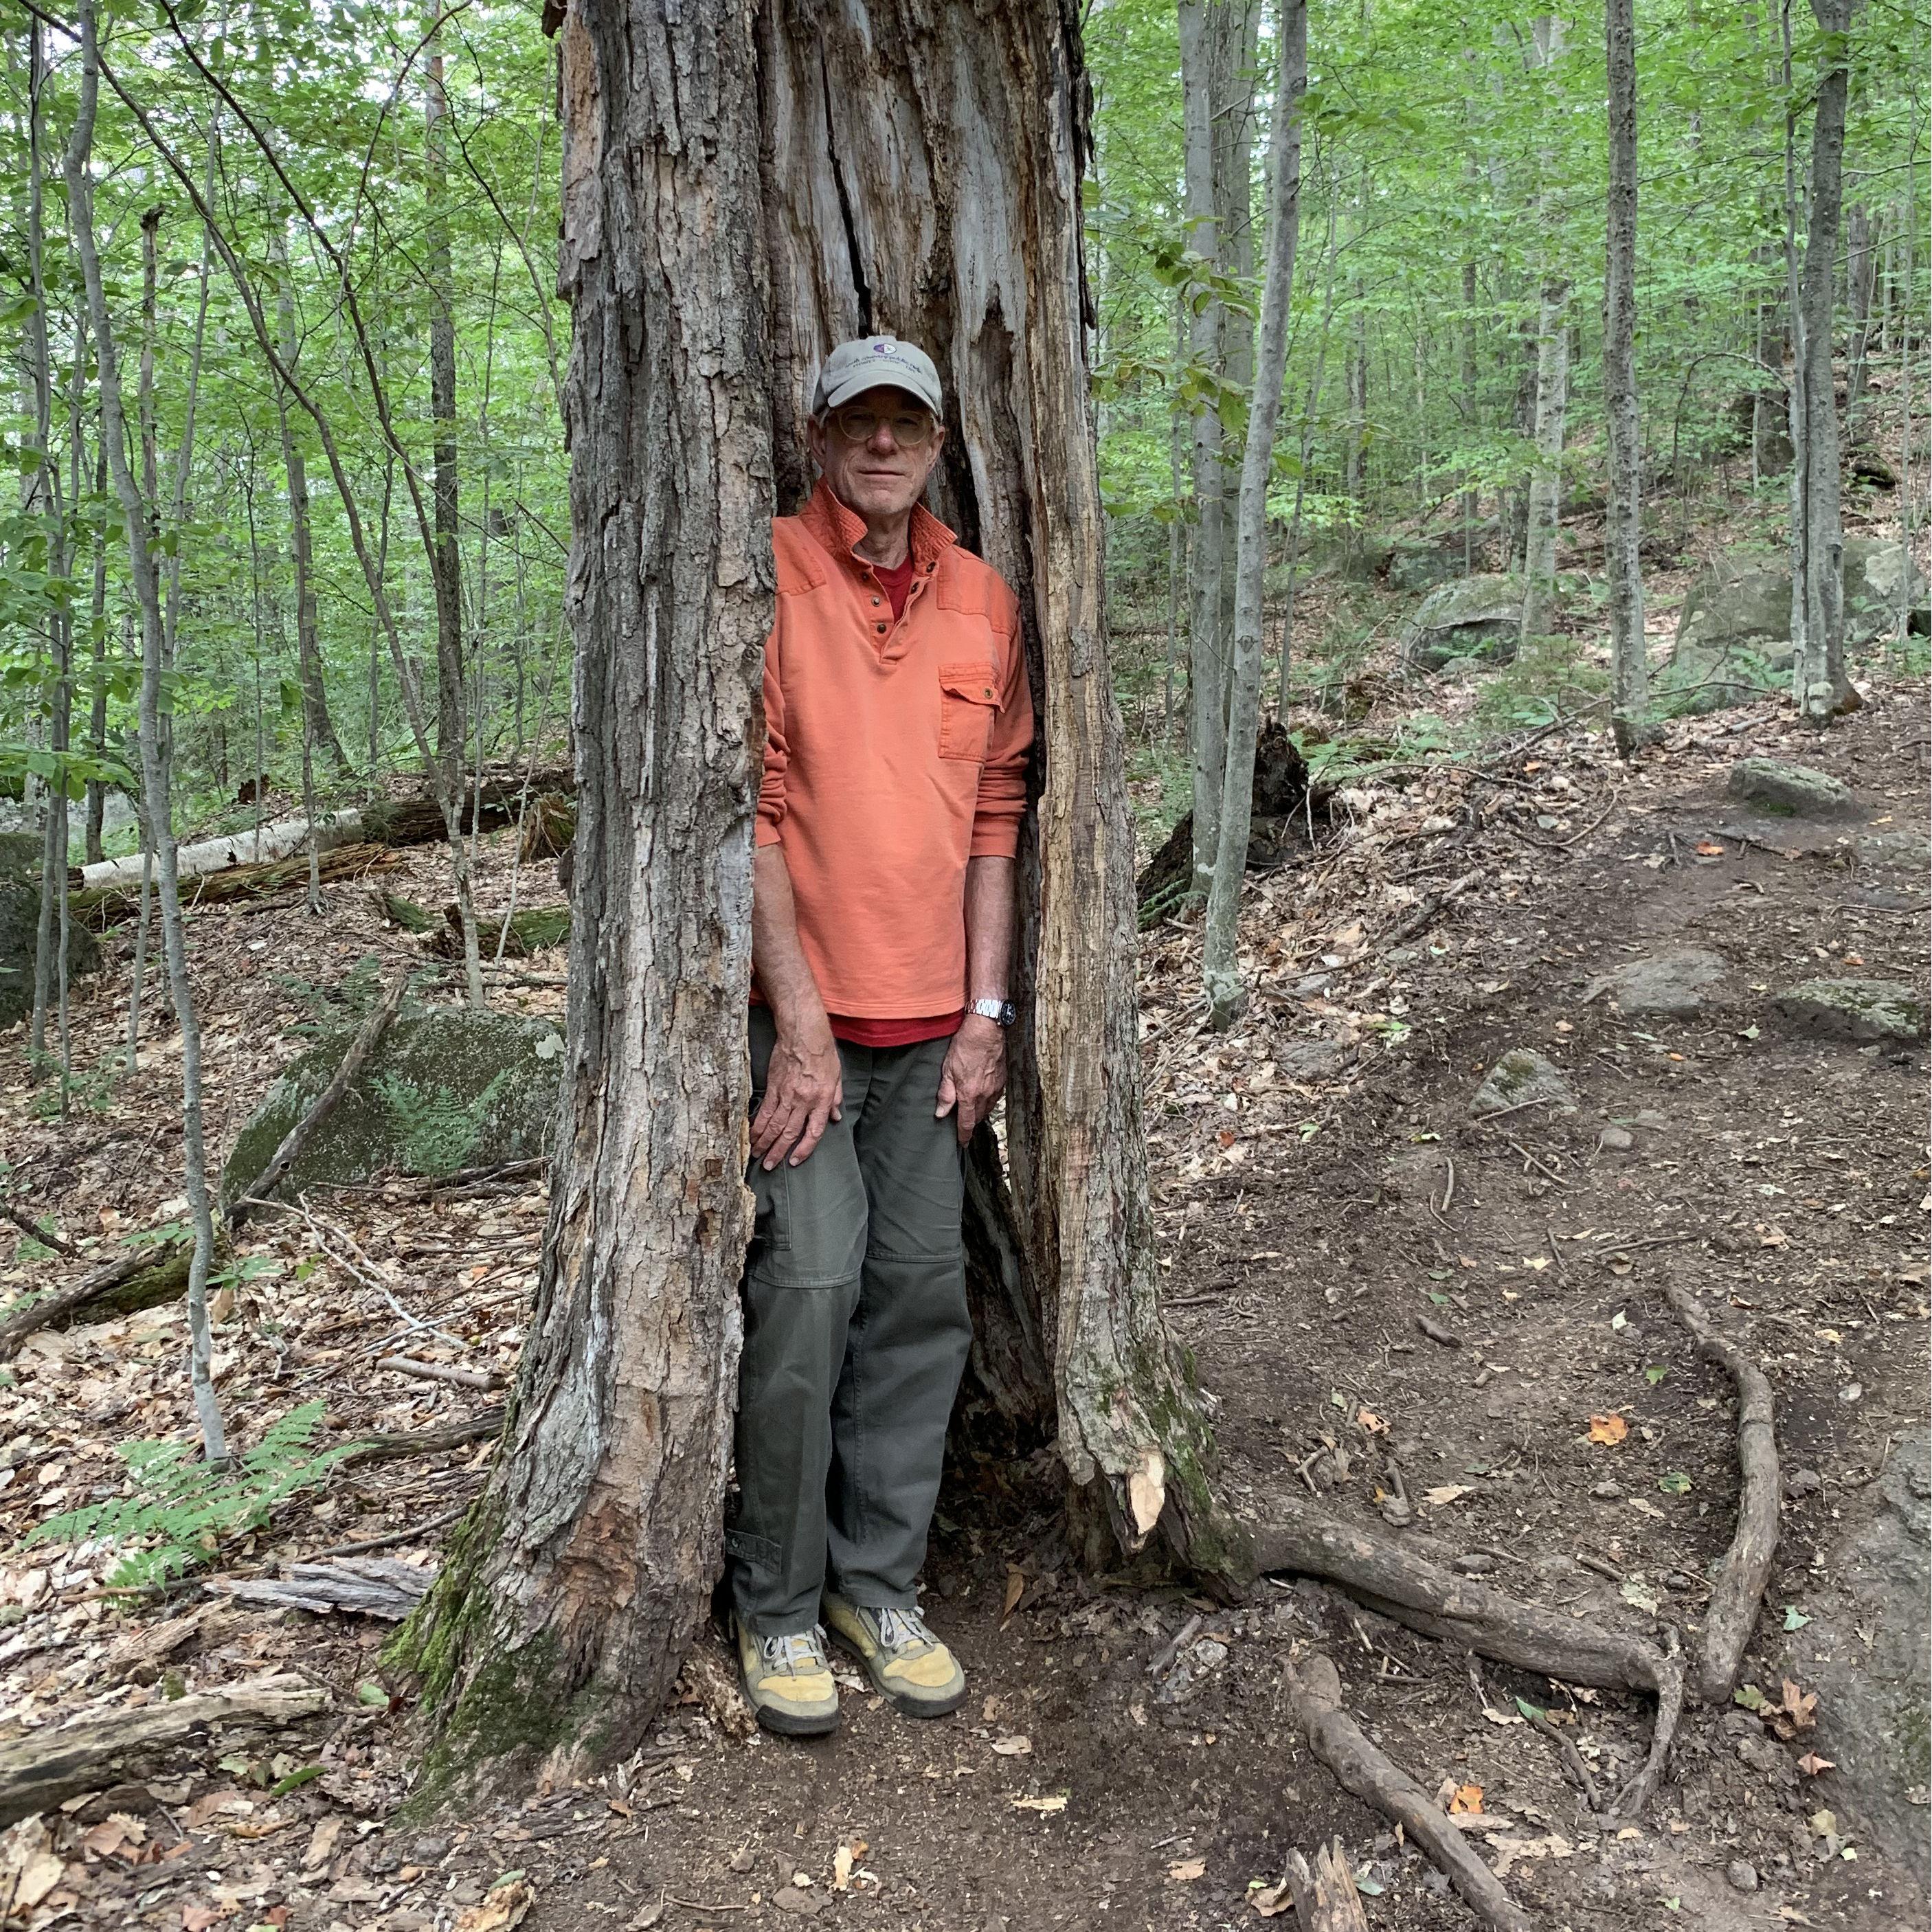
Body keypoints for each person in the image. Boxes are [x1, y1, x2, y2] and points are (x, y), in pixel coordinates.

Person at [728, 335, 1033, 1737]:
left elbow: (995, 817)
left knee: (919, 1301)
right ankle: (776, 1604)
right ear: (817, 436)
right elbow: (752, 814)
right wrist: (797, 1028)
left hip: (933, 1038)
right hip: (806, 1031)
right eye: (858, 421)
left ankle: (876, 1582)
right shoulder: (769, 578)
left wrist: (984, 1015)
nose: (882, 443)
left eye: (906, 421)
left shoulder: (981, 601)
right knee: (807, 1296)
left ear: (937, 438)